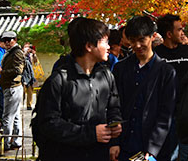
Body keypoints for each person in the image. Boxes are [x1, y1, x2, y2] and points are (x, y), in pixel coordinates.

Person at [31, 17, 122, 161]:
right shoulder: (59, 80)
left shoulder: (106, 75)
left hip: (99, 154)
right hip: (65, 154)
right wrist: (90, 134)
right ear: (89, 46)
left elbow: (114, 108)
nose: (109, 47)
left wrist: (115, 126)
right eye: (105, 42)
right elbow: (48, 123)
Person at [112, 16, 176, 161]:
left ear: (153, 37)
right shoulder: (120, 68)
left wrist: (153, 149)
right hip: (124, 144)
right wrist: (114, 142)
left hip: (150, 147)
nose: (137, 45)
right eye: (133, 40)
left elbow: (166, 114)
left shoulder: (166, 72)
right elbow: (114, 106)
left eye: (142, 40)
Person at [154, 14, 188, 161]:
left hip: (186, 113)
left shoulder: (187, 52)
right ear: (169, 34)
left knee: (186, 154)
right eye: (179, 29)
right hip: (165, 115)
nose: (183, 33)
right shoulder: (156, 55)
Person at [0, 30, 25, 153]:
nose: (7, 42)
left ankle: (6, 143)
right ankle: (16, 141)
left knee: (7, 117)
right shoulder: (11, 52)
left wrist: (2, 73)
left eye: (9, 40)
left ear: (15, 39)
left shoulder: (17, 53)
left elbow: (18, 70)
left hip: (13, 87)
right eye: (5, 40)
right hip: (11, 86)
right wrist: (1, 81)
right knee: (16, 116)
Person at [22, 43, 36, 110]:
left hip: (30, 75)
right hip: (23, 75)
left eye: (28, 48)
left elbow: (35, 63)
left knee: (30, 90)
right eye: (26, 47)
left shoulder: (31, 55)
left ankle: (29, 105)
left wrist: (34, 54)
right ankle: (21, 103)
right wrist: (24, 53)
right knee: (23, 91)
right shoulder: (21, 54)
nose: (27, 49)